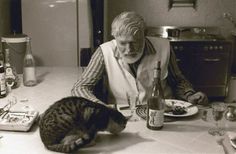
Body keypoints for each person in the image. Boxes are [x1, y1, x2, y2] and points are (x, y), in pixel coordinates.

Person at [71, 11, 208, 107]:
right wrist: (99, 106)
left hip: (163, 112)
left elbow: (178, 80)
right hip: (124, 116)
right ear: (114, 37)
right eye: (122, 43)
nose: (129, 49)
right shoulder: (104, 51)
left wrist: (190, 95)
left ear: (145, 35)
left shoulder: (164, 46)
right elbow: (80, 87)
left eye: (135, 42)